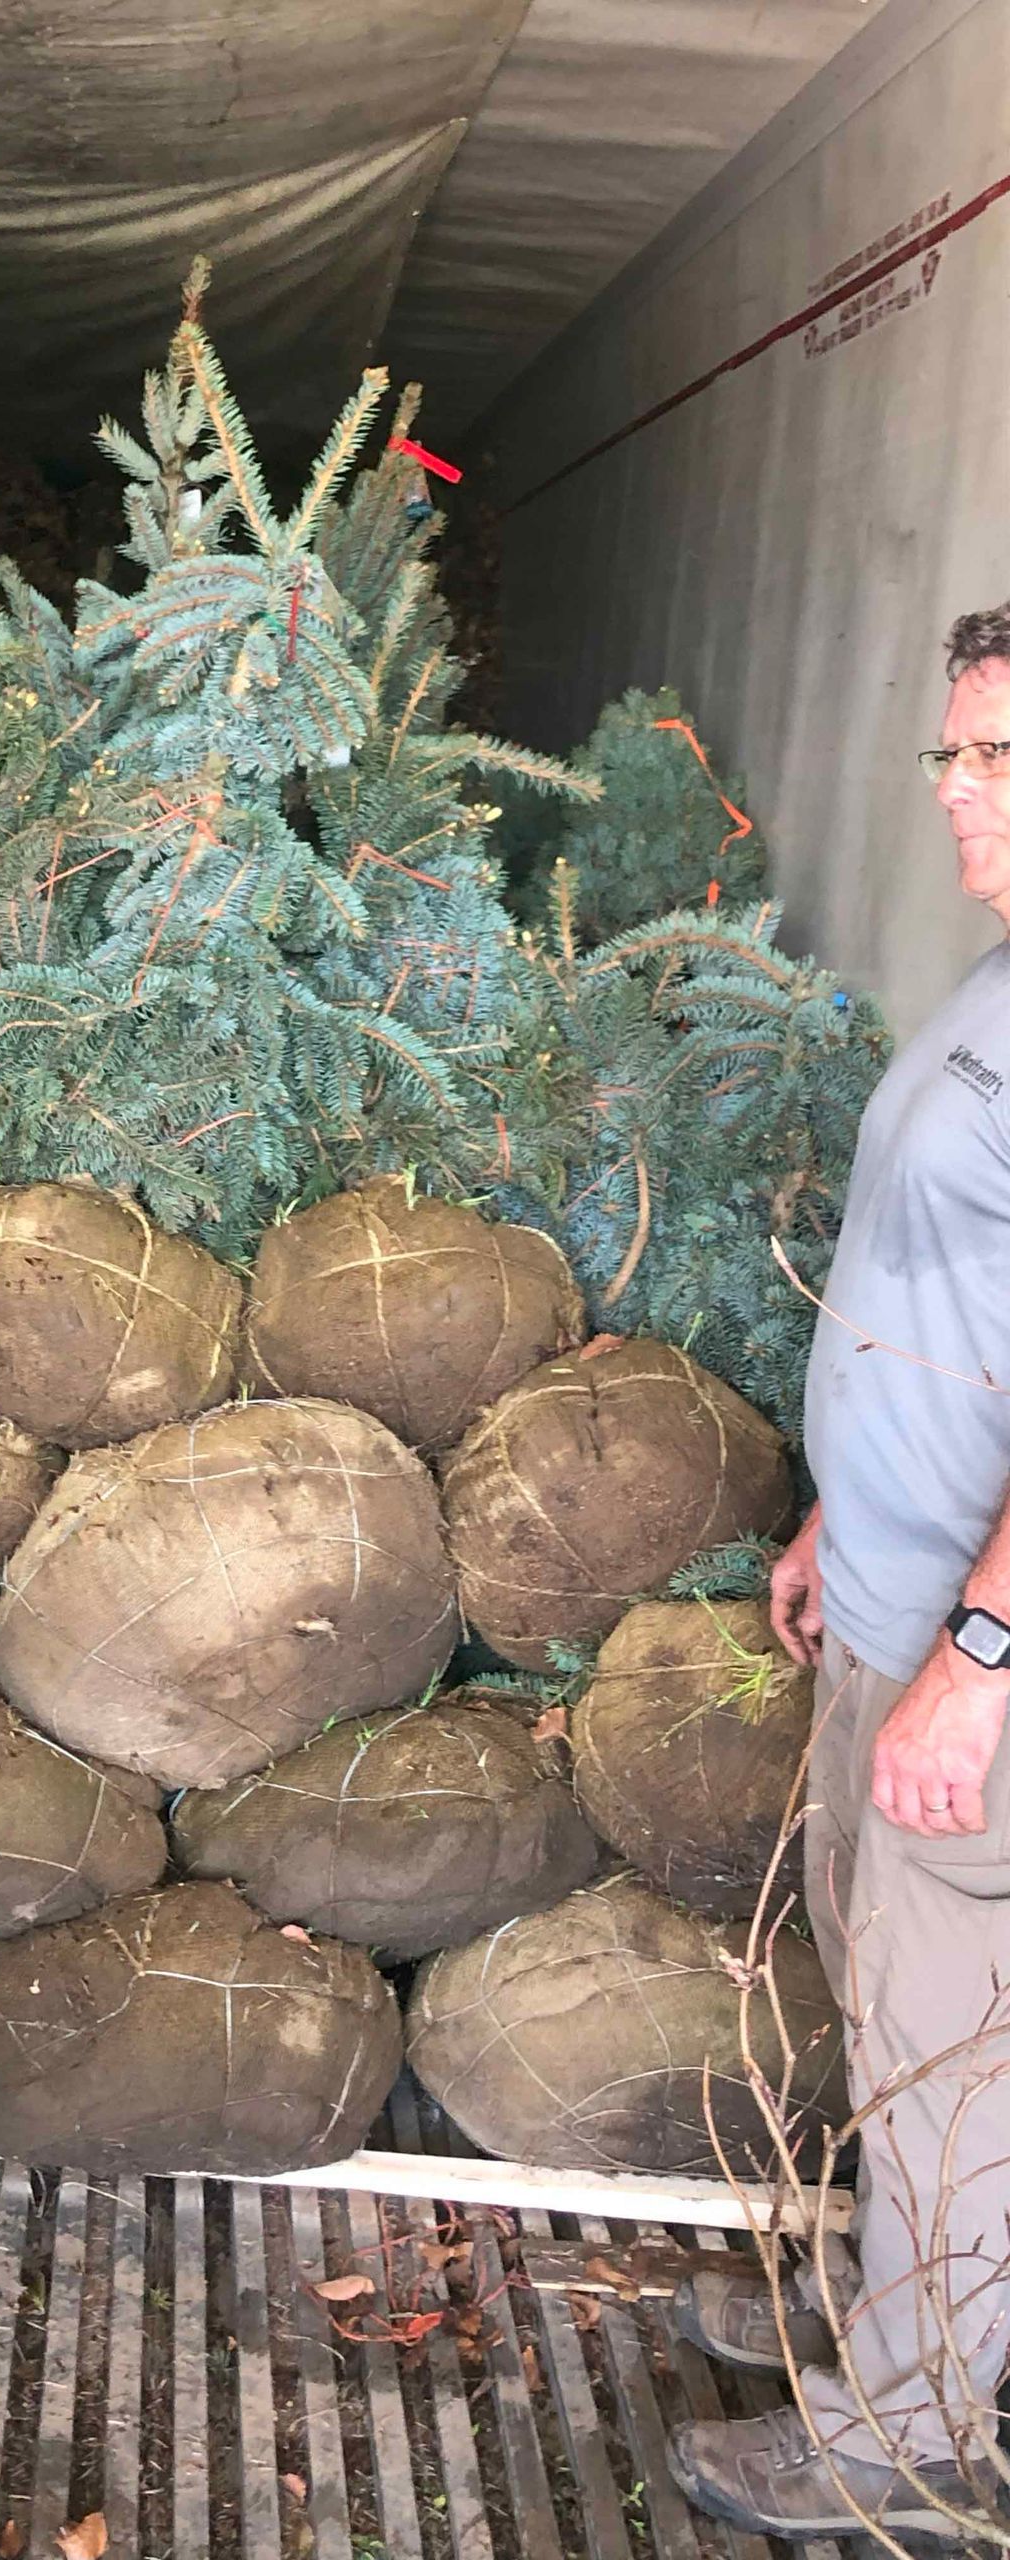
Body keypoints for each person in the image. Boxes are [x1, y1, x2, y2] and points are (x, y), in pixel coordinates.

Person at [668, 603, 1010, 2542]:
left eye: (1000, 757)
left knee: (957, 2046)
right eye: (951, 754)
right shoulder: (994, 982)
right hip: (895, 1592)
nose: (959, 794)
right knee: (891, 2014)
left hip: (974, 1653)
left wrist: (980, 1650)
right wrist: (838, 1513)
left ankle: (906, 2440)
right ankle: (881, 2315)